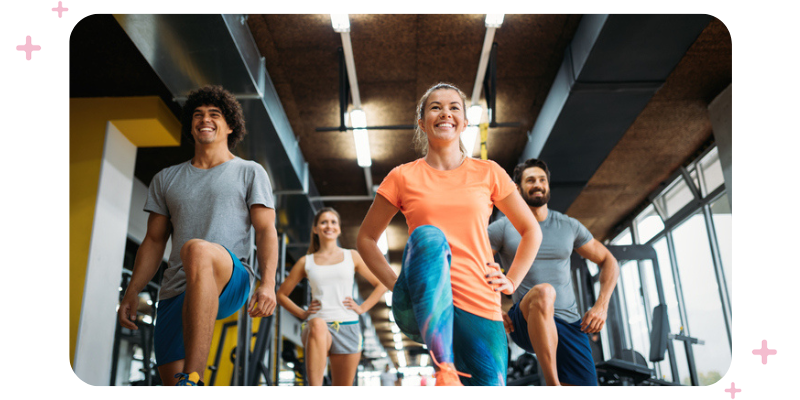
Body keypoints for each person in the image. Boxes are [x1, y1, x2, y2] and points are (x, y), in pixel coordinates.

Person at [357, 83, 542, 386]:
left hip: (480, 299)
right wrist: (397, 285)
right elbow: (365, 238)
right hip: (426, 303)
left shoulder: (488, 172)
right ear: (422, 122)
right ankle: (445, 369)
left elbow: (530, 230)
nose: (446, 113)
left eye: (454, 107)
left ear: (465, 122)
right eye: (435, 107)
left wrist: (512, 280)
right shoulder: (402, 176)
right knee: (429, 236)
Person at [117, 85, 279, 386]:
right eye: (198, 115)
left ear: (230, 126)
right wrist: (132, 290)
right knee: (170, 384)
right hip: (177, 288)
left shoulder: (249, 172)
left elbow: (266, 230)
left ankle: (194, 376)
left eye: (214, 114)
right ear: (191, 125)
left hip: (231, 278)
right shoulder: (166, 178)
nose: (204, 119)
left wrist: (268, 284)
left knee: (197, 250)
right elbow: (154, 241)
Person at [489, 158, 620, 386]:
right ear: (518, 189)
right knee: (544, 292)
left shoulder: (568, 225)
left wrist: (601, 306)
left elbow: (608, 260)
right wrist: (492, 308)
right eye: (531, 180)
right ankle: (553, 387)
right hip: (525, 320)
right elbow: (473, 264)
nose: (538, 184)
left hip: (569, 322)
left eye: (542, 180)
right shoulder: (502, 228)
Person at [277, 207, 387, 386]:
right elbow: (281, 295)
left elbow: (382, 284)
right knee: (318, 324)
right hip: (317, 327)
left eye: (333, 222)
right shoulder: (306, 262)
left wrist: (362, 308)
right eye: (323, 222)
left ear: (339, 228)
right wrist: (303, 313)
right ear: (315, 229)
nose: (329, 226)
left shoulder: (352, 256)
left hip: (348, 326)